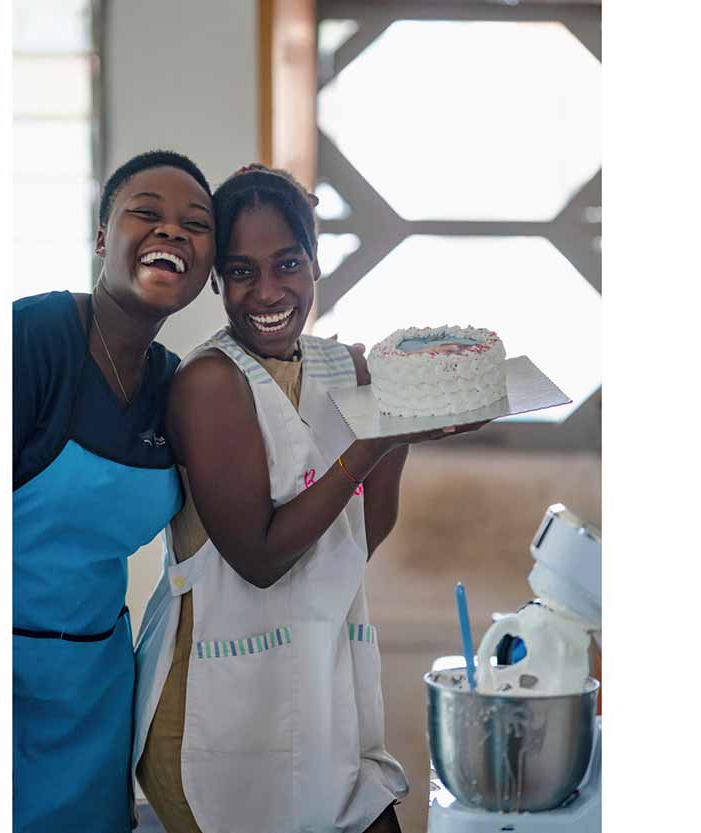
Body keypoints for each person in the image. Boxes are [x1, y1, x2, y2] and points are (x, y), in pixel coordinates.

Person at [132, 164, 485, 833]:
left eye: (287, 262)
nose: (267, 289)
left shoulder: (340, 367)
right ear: (216, 280)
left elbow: (358, 539)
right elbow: (260, 558)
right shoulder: (209, 383)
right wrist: (373, 443)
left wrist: (400, 421)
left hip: (320, 695)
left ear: (316, 264)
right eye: (240, 270)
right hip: (217, 705)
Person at [13, 150, 216, 833]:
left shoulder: (177, 387)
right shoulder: (33, 341)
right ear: (103, 237)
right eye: (147, 214)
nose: (172, 233)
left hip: (96, 688)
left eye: (195, 224)